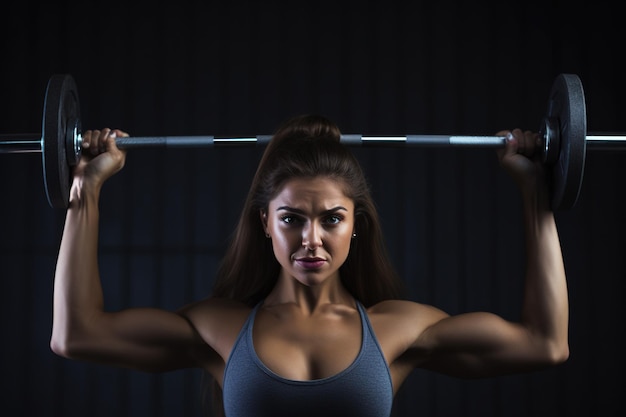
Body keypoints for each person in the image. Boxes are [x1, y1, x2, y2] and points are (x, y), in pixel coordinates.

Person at [50, 114, 569, 417]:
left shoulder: (397, 330)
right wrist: (86, 191)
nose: (311, 239)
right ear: (265, 224)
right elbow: (76, 335)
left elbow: (546, 343)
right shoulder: (221, 329)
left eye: (332, 220)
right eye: (292, 219)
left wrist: (535, 194)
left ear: (356, 225)